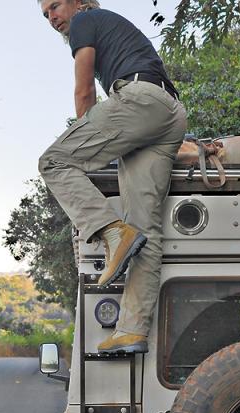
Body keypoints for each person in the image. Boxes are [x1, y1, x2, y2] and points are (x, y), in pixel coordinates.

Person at [38, 0, 187, 354]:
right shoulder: (109, 27)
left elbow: (85, 90)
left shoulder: (85, 21)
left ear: (77, 2)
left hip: (140, 100)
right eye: (45, 15)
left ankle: (111, 231)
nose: (52, 18)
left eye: (55, 6)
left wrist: (86, 135)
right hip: (169, 114)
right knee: (144, 229)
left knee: (54, 161)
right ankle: (132, 329)